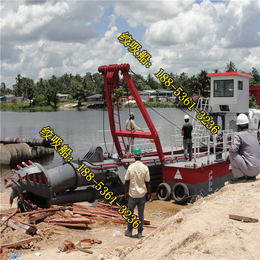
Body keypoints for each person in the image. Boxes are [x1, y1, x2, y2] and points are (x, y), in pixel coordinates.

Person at [124, 147, 152, 239]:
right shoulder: (145, 168)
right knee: (141, 214)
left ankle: (129, 231)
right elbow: (147, 183)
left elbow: (126, 181)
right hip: (142, 195)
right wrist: (150, 195)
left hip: (132, 194)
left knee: (130, 213)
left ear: (134, 156)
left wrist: (125, 193)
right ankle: (140, 232)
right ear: (141, 156)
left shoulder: (130, 167)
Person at [228, 113, 260, 183]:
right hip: (257, 170)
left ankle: (239, 177)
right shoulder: (254, 135)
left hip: (250, 170)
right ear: (248, 125)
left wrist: (229, 153)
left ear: (238, 127)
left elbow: (233, 149)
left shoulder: (239, 135)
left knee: (232, 154)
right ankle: (251, 177)